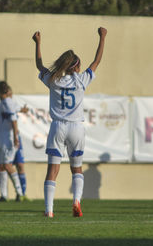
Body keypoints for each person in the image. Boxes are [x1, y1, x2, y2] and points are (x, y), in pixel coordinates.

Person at [32, 27, 107, 218]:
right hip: (76, 128)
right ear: (77, 66)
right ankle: (76, 202)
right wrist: (102, 37)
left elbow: (39, 65)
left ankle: (49, 211)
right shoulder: (82, 80)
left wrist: (38, 43)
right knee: (77, 169)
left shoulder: (54, 80)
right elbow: (97, 61)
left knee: (53, 169)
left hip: (58, 127)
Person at [0, 85, 30, 201]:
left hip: (9, 140)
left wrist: (15, 136)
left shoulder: (9, 103)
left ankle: (20, 193)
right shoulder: (2, 104)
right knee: (0, 167)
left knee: (9, 165)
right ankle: (4, 195)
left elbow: (13, 118)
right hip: (0, 140)